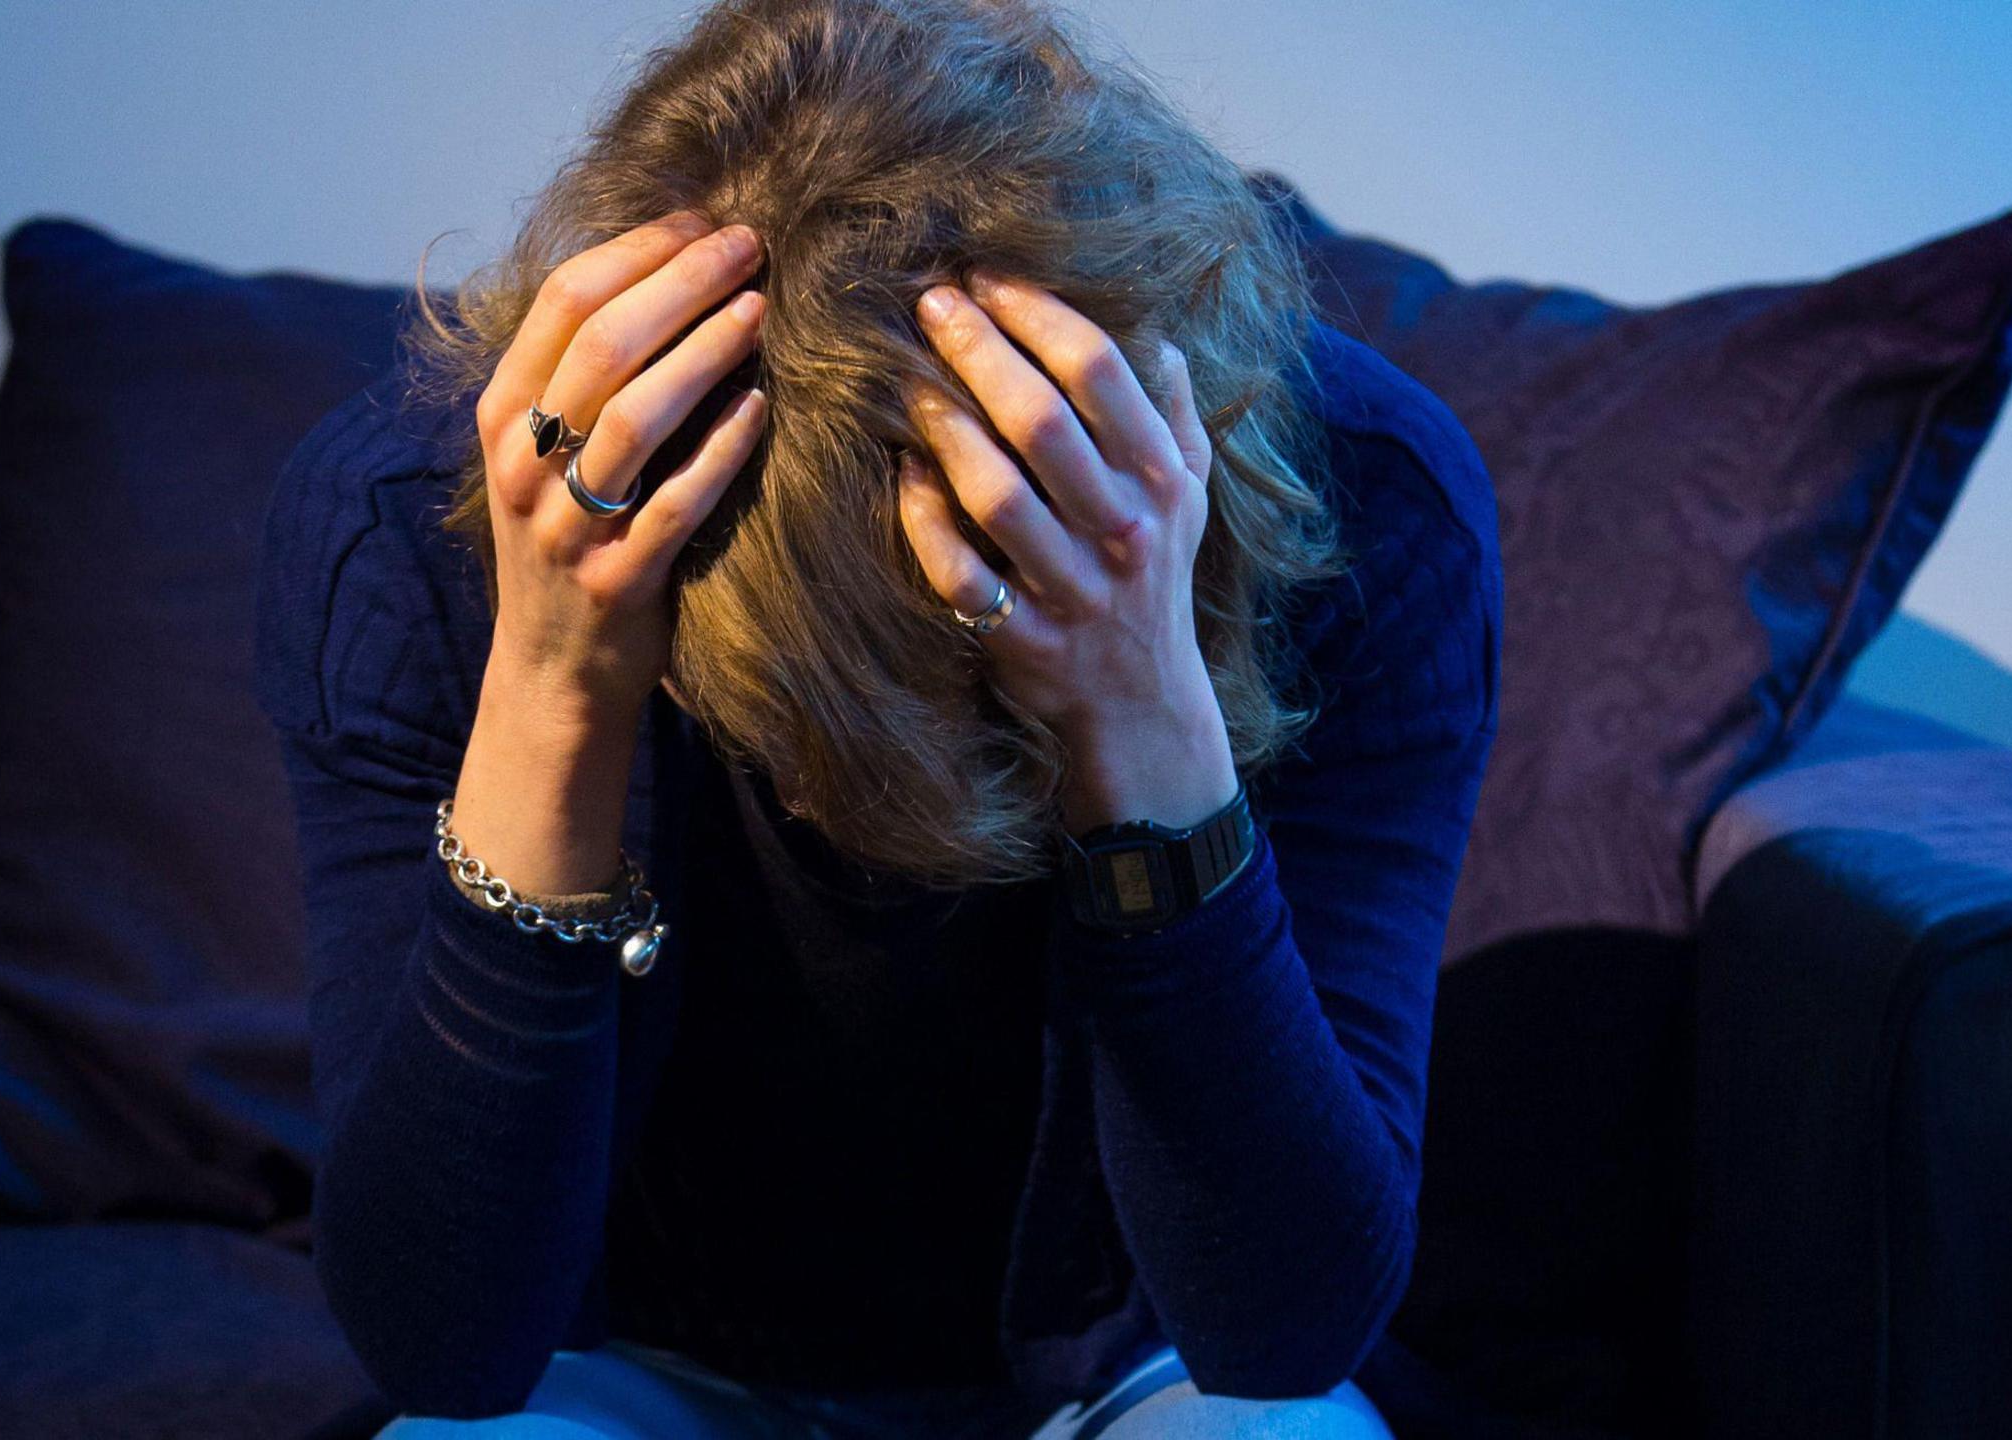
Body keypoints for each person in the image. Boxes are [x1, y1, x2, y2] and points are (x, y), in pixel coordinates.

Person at [251, 0, 1501, 1434]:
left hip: (1144, 1365)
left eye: (970, 635)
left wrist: (1141, 707)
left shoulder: (1359, 499)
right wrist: (554, 683)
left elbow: (1285, 1328)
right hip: (637, 1361)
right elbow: (444, 1350)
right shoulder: (423, 522)